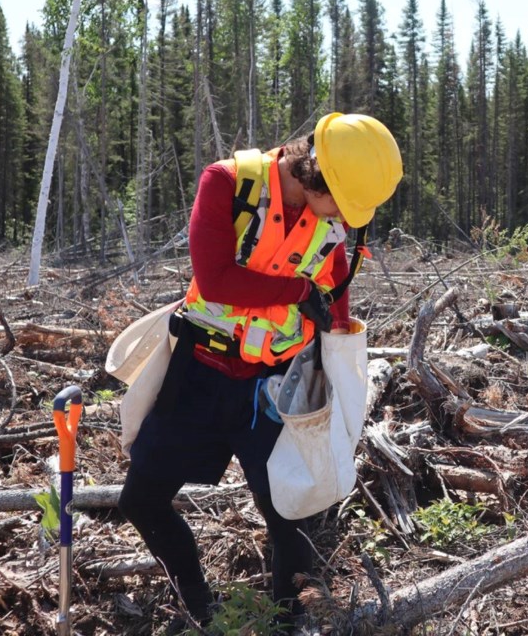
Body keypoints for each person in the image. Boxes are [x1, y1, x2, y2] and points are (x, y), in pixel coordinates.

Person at [118, 112, 402, 629]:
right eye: (342, 202)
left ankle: (285, 618)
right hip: (200, 371)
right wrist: (298, 292)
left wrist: (337, 371)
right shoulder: (226, 184)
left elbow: (336, 301)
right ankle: (199, 606)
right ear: (317, 174)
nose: (345, 217)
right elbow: (217, 279)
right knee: (141, 499)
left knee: (290, 513)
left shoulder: (332, 225)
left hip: (272, 386)